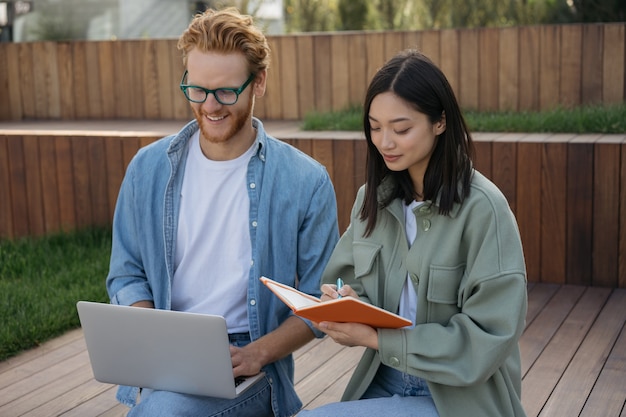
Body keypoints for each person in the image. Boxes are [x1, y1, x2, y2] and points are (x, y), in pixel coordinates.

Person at [105, 7, 339, 417]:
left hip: (249, 358)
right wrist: (157, 341)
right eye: (197, 90)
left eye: (226, 92)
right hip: (168, 347)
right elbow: (127, 274)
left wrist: (257, 353)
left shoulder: (306, 181)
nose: (210, 106)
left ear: (259, 83)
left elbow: (321, 302)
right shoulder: (147, 168)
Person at [299, 49, 528, 417]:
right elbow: (346, 279)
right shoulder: (372, 199)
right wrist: (340, 300)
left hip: (459, 398)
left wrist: (376, 338)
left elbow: (488, 338)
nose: (384, 142)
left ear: (440, 122)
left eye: (401, 129)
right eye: (375, 127)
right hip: (385, 379)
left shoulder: (484, 209)